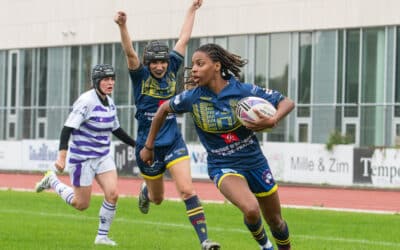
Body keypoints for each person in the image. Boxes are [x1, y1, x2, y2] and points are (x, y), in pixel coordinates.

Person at [140, 43, 295, 250]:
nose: (193, 68)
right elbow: (162, 111)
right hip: (222, 165)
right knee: (250, 209)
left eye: (200, 63)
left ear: (216, 66)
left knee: (276, 221)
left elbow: (287, 102)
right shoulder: (192, 98)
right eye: (193, 64)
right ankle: (266, 246)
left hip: (255, 162)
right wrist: (148, 146)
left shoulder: (243, 91)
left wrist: (273, 119)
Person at [114, 1, 220, 250]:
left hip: (173, 141)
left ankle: (205, 241)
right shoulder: (139, 76)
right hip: (147, 147)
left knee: (186, 190)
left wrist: (192, 10)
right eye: (155, 63)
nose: (160, 66)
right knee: (158, 198)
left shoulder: (173, 67)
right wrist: (123, 25)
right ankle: (146, 192)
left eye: (162, 62)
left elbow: (183, 38)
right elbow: (130, 52)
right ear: (148, 63)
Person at [35, 64, 136, 246]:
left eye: (112, 79)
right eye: (105, 79)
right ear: (96, 82)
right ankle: (52, 181)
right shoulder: (86, 101)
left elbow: (116, 129)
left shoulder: (111, 103)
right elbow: (67, 129)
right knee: (81, 204)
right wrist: (62, 157)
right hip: (82, 159)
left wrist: (136, 145)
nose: (110, 82)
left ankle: (102, 237)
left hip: (103, 156)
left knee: (112, 194)